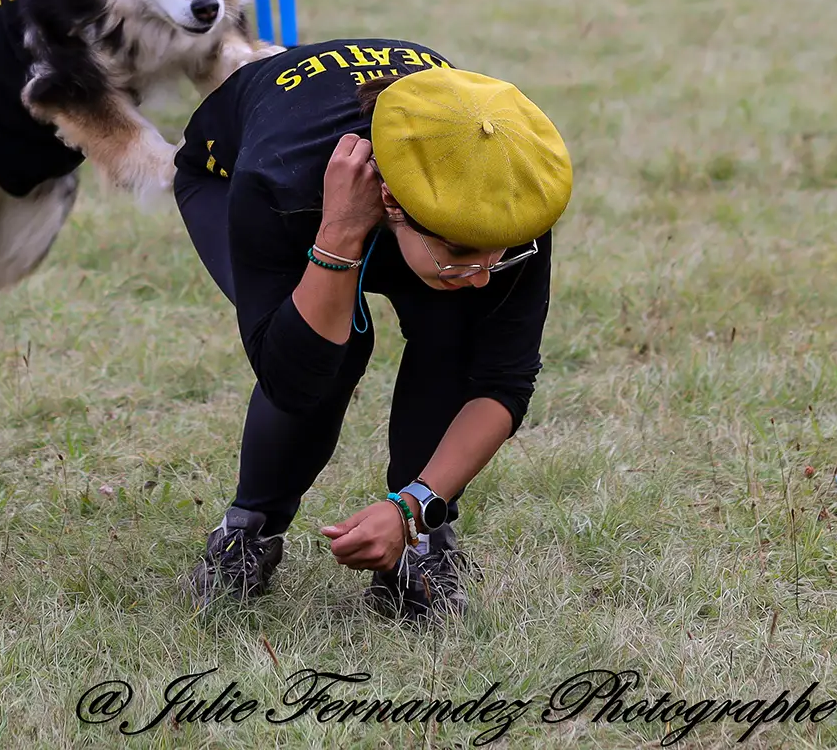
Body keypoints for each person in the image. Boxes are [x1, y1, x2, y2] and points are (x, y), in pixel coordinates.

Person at [172, 42, 571, 621]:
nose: (485, 276)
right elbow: (290, 378)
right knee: (328, 349)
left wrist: (414, 507)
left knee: (456, 331)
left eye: (500, 254)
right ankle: (246, 534)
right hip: (240, 178)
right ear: (391, 201)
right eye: (463, 252)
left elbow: (504, 379)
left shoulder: (509, 183)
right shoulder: (282, 179)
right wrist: (336, 238)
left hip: (406, 200)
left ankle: (422, 547)